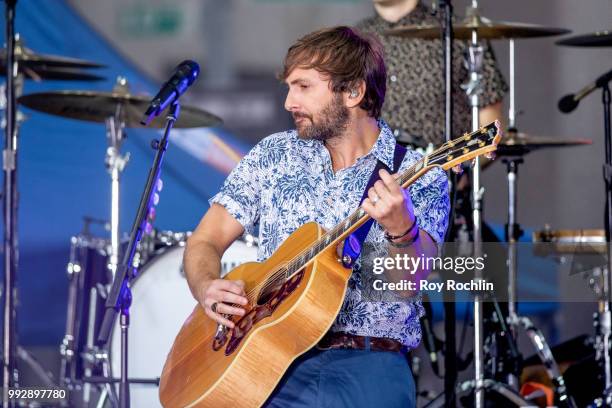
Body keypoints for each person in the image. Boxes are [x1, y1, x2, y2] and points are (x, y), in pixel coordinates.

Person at [183, 26, 449, 408]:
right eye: (289, 87)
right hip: (271, 361)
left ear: (354, 92)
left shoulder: (418, 173)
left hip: (370, 367)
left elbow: (407, 284)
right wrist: (206, 285)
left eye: (304, 87)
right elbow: (204, 240)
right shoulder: (272, 155)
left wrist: (401, 228)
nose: (289, 101)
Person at [357, 0, 507, 152]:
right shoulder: (355, 40)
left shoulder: (461, 33)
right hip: (374, 171)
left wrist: (463, 169)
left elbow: (490, 128)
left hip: (443, 171)